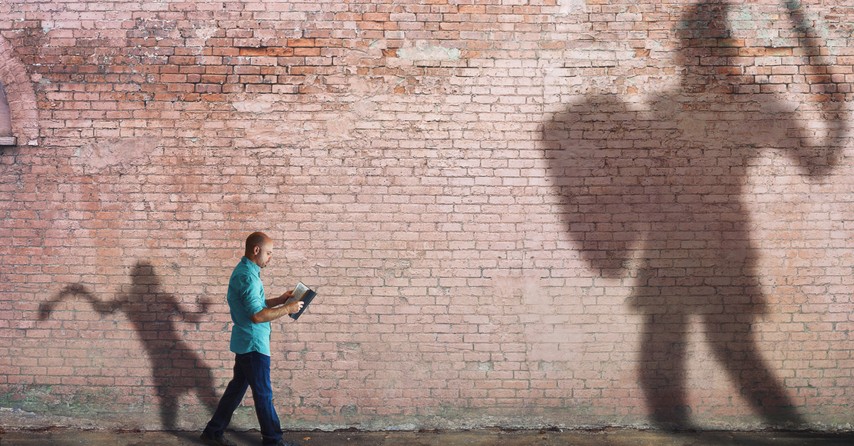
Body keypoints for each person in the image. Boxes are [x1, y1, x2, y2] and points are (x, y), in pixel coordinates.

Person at [201, 232, 304, 446]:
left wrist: (280, 300)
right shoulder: (247, 276)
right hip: (254, 344)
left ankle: (212, 432)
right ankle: (273, 441)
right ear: (256, 250)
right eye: (268, 253)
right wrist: (288, 308)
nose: (270, 258)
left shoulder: (246, 272)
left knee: (236, 389)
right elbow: (257, 316)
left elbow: (254, 303)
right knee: (264, 394)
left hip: (247, 343)